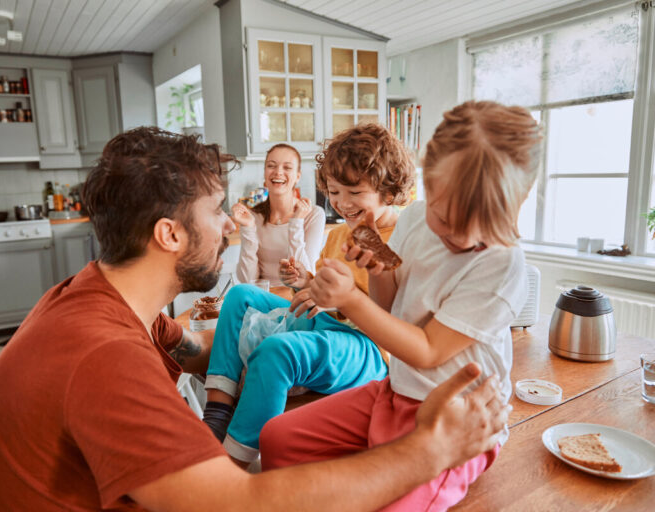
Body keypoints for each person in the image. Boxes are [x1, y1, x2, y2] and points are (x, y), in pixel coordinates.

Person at [0, 126, 509, 511]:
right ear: (169, 235)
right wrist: (430, 451)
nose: (229, 224)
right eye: (217, 212)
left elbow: (186, 348)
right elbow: (239, 503)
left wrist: (239, 349)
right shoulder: (105, 358)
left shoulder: (93, 299)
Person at [262, 101, 541, 511]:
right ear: (428, 184)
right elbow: (390, 305)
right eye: (443, 214)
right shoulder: (413, 220)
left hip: (457, 419)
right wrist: (377, 268)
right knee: (276, 438)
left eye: (475, 223)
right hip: (396, 391)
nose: (454, 233)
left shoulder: (502, 265)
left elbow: (427, 350)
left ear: (512, 209)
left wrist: (350, 300)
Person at [203, 123, 415, 466]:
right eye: (333, 191)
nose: (342, 203)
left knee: (276, 351)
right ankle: (215, 416)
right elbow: (322, 292)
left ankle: (233, 462)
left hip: (369, 351)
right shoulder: (338, 235)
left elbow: (389, 321)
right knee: (240, 296)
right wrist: (307, 282)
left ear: (388, 190)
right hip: (327, 325)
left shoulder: (403, 237)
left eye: (354, 192)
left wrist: (339, 302)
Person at [233, 143, 325, 286]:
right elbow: (247, 280)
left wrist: (296, 223)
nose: (278, 172)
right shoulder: (253, 217)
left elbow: (304, 276)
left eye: (287, 167)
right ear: (264, 173)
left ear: (297, 176)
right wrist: (248, 228)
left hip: (297, 300)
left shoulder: (313, 215)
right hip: (262, 299)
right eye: (271, 166)